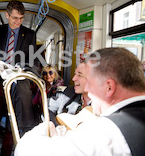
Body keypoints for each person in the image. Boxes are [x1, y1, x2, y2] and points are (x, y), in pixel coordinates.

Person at [15, 47, 145, 156]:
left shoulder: (106, 132)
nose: (86, 88)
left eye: (90, 83)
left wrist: (44, 128)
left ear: (109, 87)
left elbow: (26, 150)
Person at [0, 0, 39, 156]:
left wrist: (23, 69)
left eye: (21, 18)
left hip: (17, 86)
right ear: (7, 15)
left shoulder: (30, 34)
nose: (18, 21)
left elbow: (34, 61)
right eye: (14, 18)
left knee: (12, 127)